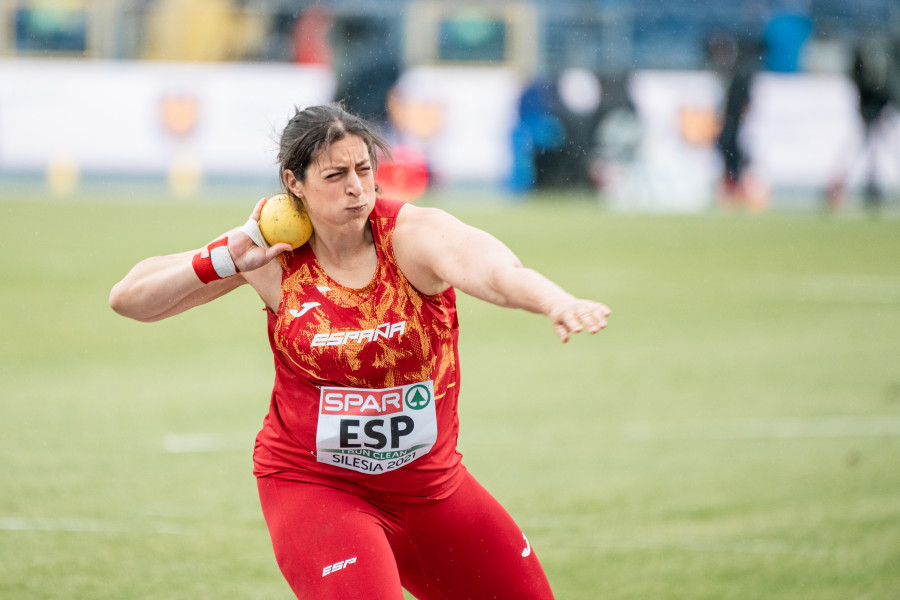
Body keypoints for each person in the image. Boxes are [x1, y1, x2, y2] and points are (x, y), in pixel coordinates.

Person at [109, 103, 611, 599]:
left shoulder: (412, 236)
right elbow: (130, 300)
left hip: (431, 486)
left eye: (364, 169)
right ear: (294, 183)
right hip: (316, 487)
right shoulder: (269, 257)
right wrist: (226, 255)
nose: (356, 186)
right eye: (335, 174)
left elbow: (498, 274)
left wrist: (556, 301)